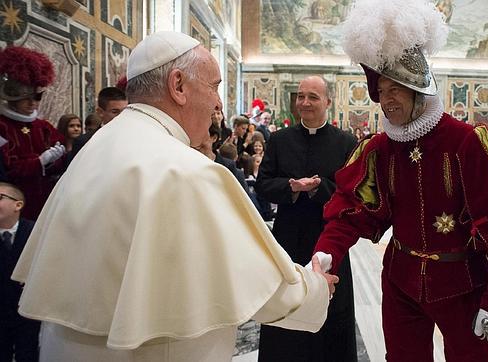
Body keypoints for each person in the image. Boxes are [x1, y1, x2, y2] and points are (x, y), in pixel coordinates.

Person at [11, 31, 336, 361]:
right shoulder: (186, 170)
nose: (218, 103)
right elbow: (262, 287)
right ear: (178, 85)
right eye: (214, 86)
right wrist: (315, 287)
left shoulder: (96, 147)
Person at [310, 1, 488, 360]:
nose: (387, 100)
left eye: (395, 88)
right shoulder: (379, 148)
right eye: (381, 92)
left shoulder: (465, 141)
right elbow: (353, 210)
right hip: (401, 281)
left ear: (419, 88)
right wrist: (327, 252)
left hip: (464, 284)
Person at [256, 75, 358, 362]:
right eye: (300, 96)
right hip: (288, 240)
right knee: (286, 307)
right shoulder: (279, 140)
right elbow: (263, 184)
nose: (304, 102)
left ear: (328, 101)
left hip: (329, 241)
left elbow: (351, 195)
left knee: (331, 312)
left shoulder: (345, 143)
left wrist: (318, 189)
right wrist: (291, 186)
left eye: (313, 97)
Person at [0, 46, 66, 221]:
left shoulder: (43, 126)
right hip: (13, 204)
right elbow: (6, 169)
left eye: (37, 97)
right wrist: (39, 162)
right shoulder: (2, 126)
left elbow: (60, 160)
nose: (32, 103)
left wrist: (54, 161)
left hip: (44, 201)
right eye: (25, 98)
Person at [0, 183, 39, 362]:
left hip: (26, 311)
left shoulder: (35, 232)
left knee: (28, 353)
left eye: (0, 197)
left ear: (18, 205)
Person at [68, 87, 127, 163]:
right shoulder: (85, 142)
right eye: (115, 112)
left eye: (125, 111)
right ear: (100, 112)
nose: (121, 116)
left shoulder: (136, 138)